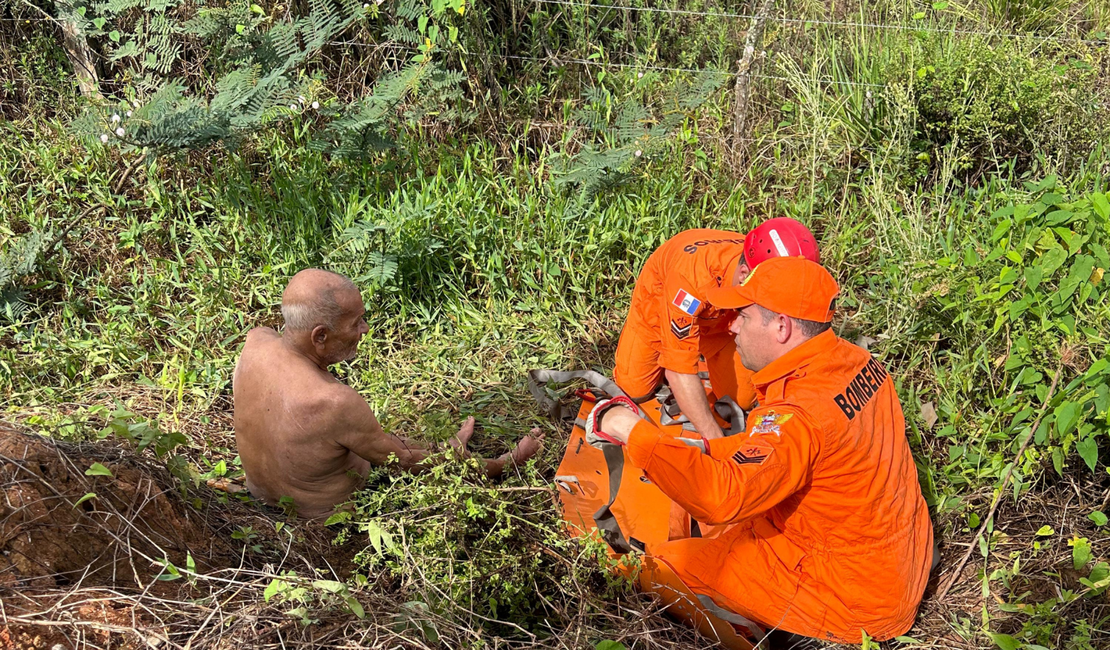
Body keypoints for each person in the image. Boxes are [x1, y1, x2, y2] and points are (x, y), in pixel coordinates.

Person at [586, 256, 933, 643]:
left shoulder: (798, 417)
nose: (732, 325)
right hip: (898, 562)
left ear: (782, 327)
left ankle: (745, 626)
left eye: (745, 316)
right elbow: (793, 452)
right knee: (706, 500)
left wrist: (628, 427)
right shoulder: (859, 363)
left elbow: (721, 497)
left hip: (850, 595)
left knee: (661, 565)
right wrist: (700, 450)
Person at [232, 269, 544, 520]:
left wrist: (437, 447)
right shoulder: (331, 402)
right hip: (325, 522)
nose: (365, 329)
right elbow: (405, 462)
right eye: (356, 323)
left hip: (260, 504)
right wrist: (503, 463)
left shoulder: (255, 343)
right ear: (321, 336)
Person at [613, 218, 819, 440]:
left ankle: (702, 354)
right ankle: (679, 352)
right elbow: (678, 370)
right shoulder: (691, 279)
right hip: (660, 310)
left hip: (723, 323)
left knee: (741, 399)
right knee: (634, 388)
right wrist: (715, 441)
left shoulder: (770, 268)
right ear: (743, 275)